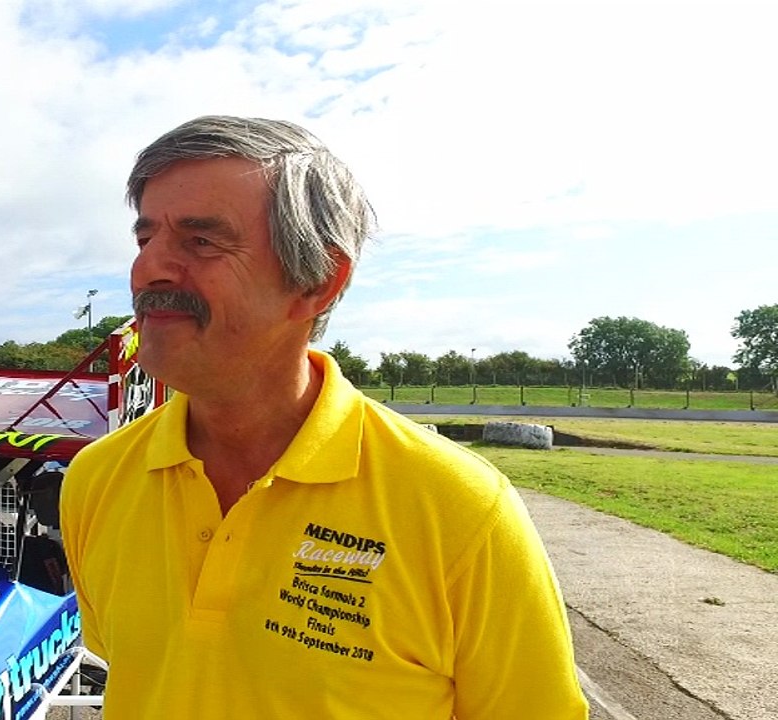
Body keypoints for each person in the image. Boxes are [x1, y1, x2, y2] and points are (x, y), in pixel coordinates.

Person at [60, 115, 588, 719]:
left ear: (317, 280)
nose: (147, 269)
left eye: (201, 241)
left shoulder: (458, 510)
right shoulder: (97, 481)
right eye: (145, 238)